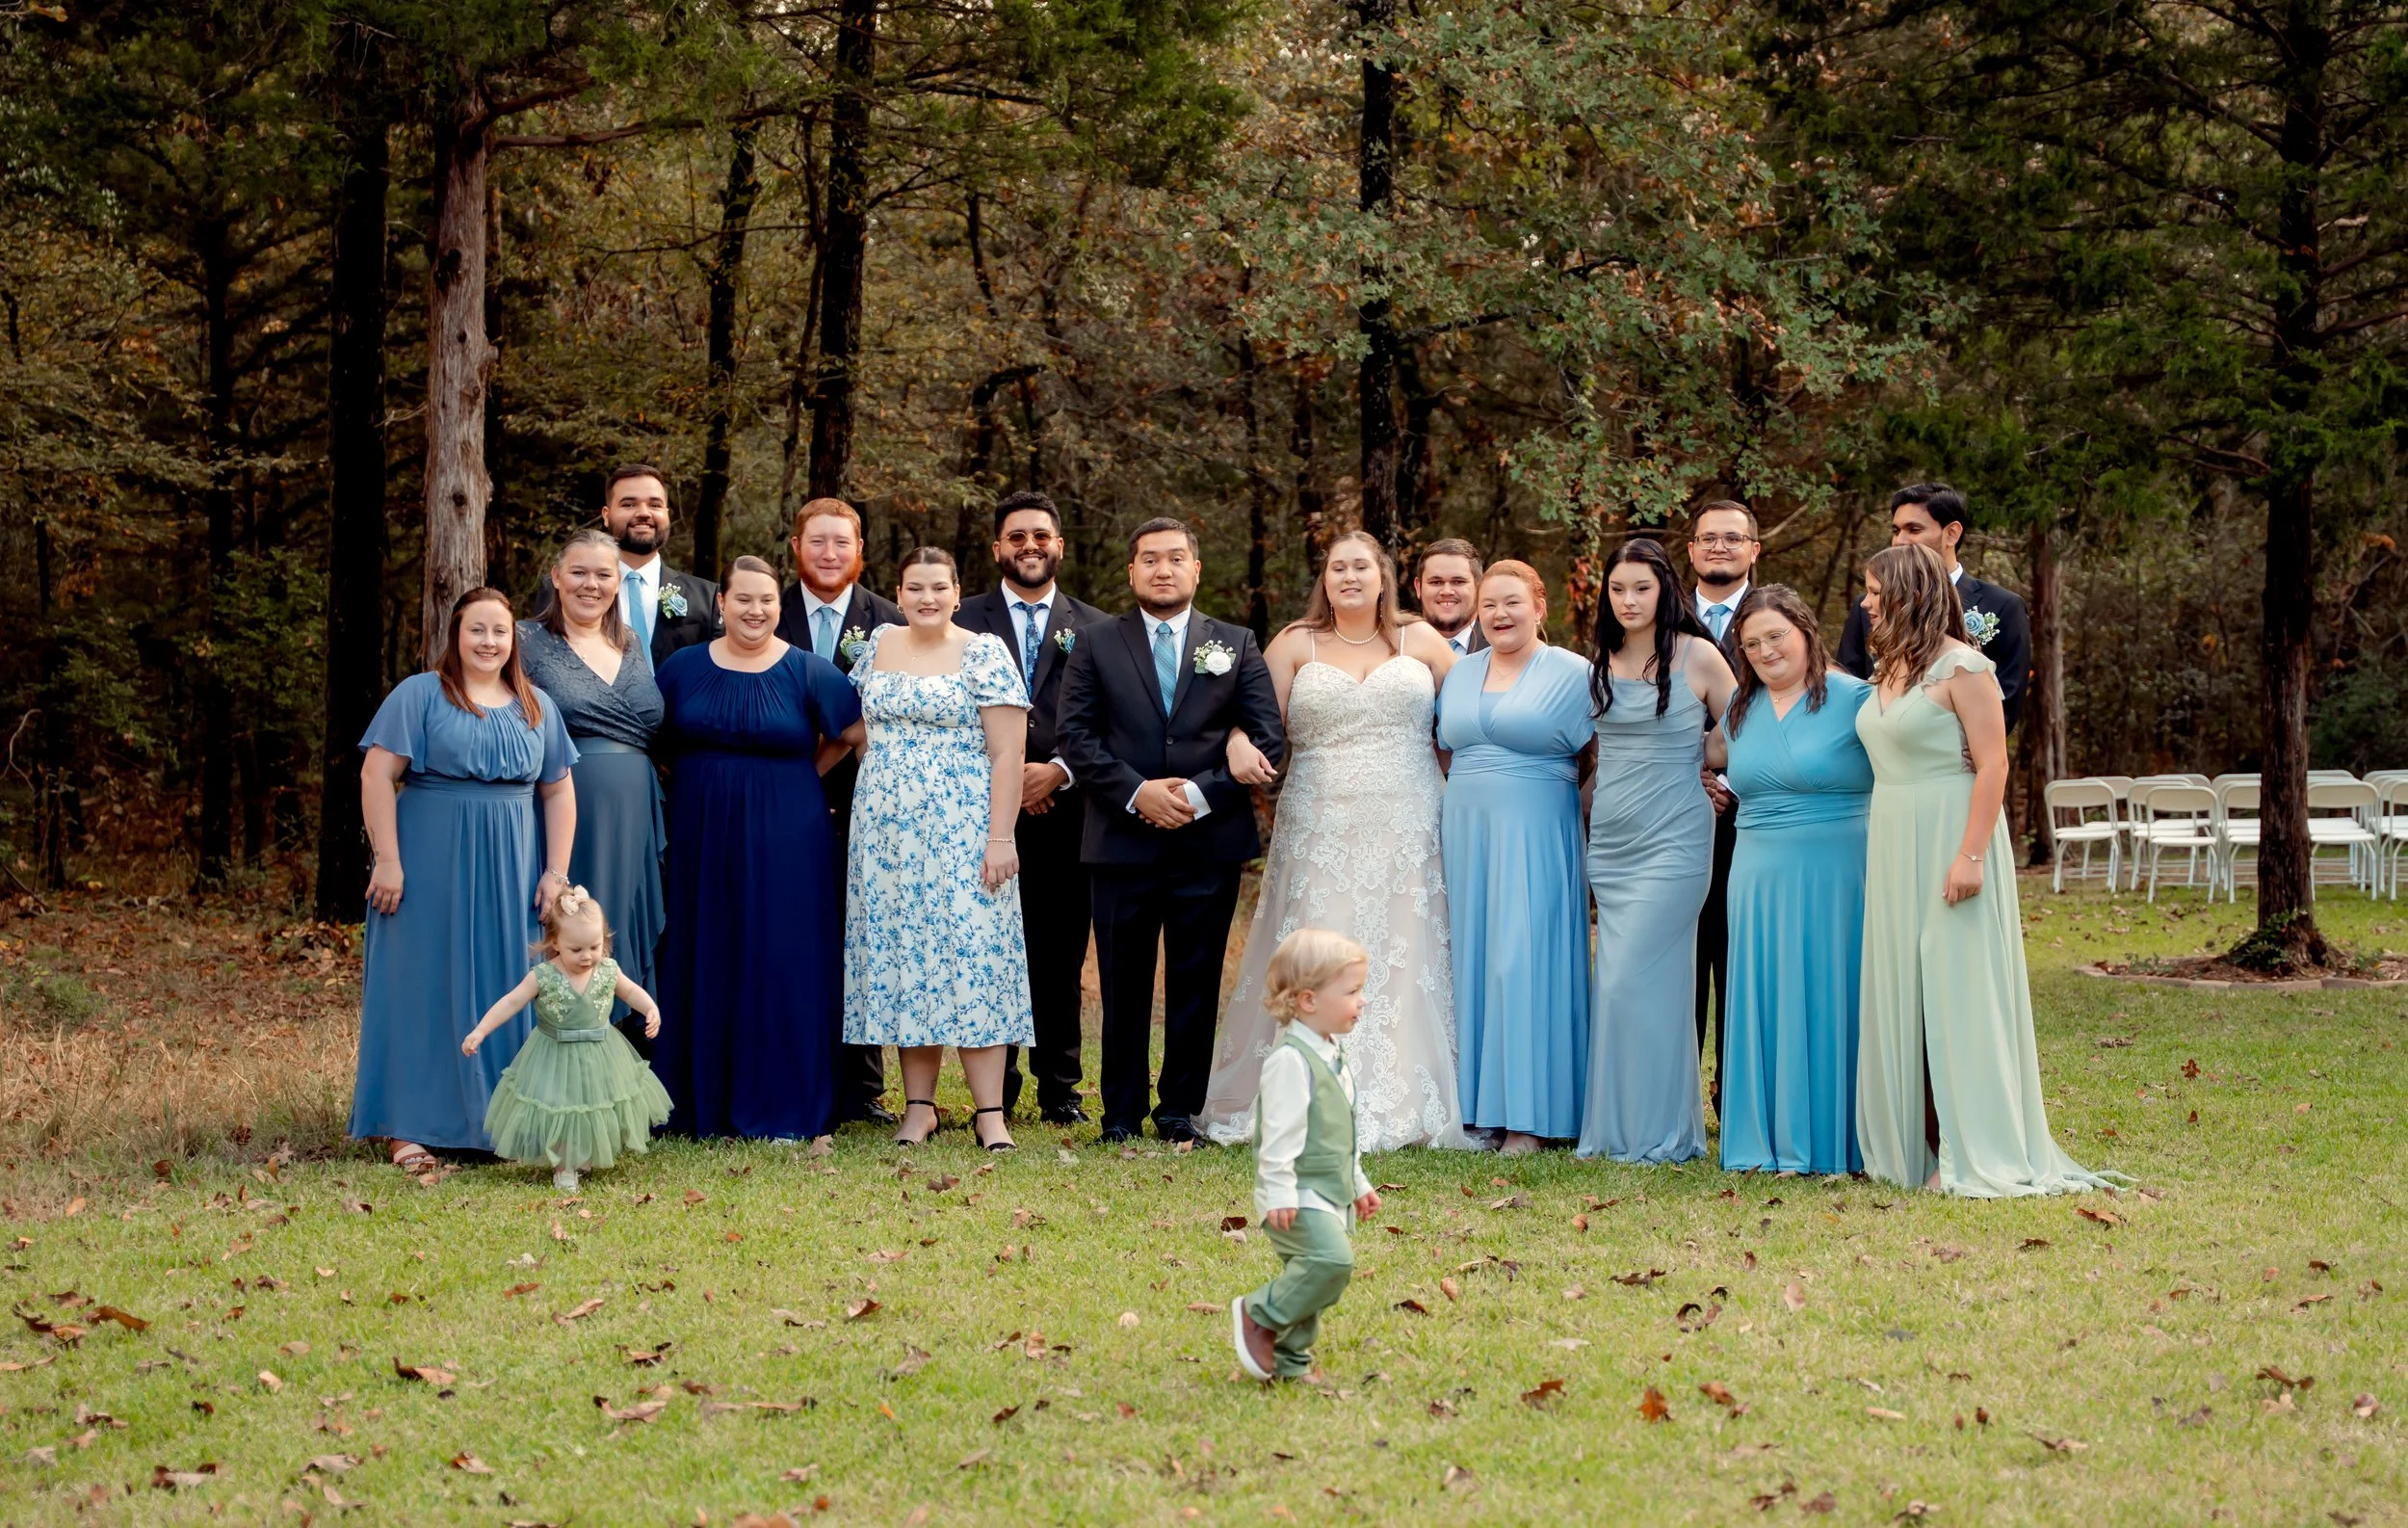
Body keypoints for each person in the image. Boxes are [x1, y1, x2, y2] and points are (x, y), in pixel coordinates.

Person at [1854, 544, 2115, 1196]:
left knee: (1957, 991)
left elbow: (1993, 764)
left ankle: (1972, 1151)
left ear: (1908, 595)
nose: (1863, 604)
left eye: (1872, 592)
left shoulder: (1965, 666)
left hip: (1952, 835)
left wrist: (1970, 855)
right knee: (1902, 994)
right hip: (1891, 839)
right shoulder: (1886, 669)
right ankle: (1906, 1146)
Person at [1204, 530, 1469, 1151]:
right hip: (1321, 820)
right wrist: (1238, 742)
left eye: (1362, 566)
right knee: (1320, 947)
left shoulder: (1421, 641)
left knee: (1409, 950)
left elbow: (1476, 709)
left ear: (1383, 577)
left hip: (1410, 817)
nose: (1349, 576)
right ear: (1324, 579)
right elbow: (1254, 718)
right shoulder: (1296, 643)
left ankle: (1404, 1094)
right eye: (1337, 567)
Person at [1056, 517, 1287, 1145]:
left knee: (1196, 978)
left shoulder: (1235, 642)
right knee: (1123, 985)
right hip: (1120, 839)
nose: (1163, 569)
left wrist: (1198, 794)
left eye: (1175, 557)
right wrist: (1136, 793)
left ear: (1196, 569)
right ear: (1131, 571)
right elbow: (1075, 736)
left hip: (1205, 843)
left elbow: (1265, 736)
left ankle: (1180, 1109)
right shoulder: (1096, 643)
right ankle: (1121, 1114)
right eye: (1150, 559)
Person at [355, 589, 577, 1174]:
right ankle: (406, 1129)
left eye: (499, 632)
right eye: (476, 631)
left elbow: (557, 790)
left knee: (507, 983)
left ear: (514, 640)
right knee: (421, 984)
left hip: (511, 867)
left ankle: (500, 1124)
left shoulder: (536, 706)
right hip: (428, 863)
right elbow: (377, 773)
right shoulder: (421, 694)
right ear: (456, 635)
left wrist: (556, 874)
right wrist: (388, 859)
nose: (488, 642)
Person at [652, 556, 864, 1143]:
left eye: (767, 600)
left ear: (779, 606)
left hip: (789, 836)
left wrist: (805, 773)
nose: (756, 610)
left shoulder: (810, 671)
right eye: (743, 599)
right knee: (704, 951)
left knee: (782, 958)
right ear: (720, 604)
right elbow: (657, 740)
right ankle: (697, 1102)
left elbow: (855, 733)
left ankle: (783, 1105)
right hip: (700, 831)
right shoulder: (682, 668)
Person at [846, 548, 1035, 1151]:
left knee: (975, 958)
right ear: (897, 594)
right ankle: (919, 1108)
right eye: (914, 588)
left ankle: (990, 1114)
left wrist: (1000, 837)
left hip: (964, 829)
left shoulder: (983, 651)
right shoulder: (878, 644)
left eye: (938, 587)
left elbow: (1008, 752)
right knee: (908, 963)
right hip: (886, 836)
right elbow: (861, 730)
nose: (926, 598)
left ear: (957, 592)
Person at [1575, 538, 1737, 1165]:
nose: (1629, 599)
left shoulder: (1699, 656)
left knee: (1626, 982)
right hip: (1613, 842)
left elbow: (1746, 725)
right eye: (1618, 589)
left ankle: (1660, 1133)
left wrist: (1710, 771)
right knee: (1640, 986)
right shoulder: (1600, 660)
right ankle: (1625, 1128)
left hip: (1675, 839)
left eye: (1641, 587)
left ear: (1665, 589)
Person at [954, 491, 1110, 1123]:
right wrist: (1003, 779)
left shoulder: (1097, 628)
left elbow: (1108, 718)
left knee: (1058, 956)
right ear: (997, 549)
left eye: (1040, 536)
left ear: (1059, 546)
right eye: (1016, 537)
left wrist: (1060, 771)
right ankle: (998, 1089)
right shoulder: (959, 620)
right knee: (985, 951)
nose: (1029, 547)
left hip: (1064, 815)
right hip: (977, 817)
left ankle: (1060, 1090)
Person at [1705, 585, 1871, 1175]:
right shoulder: (1739, 709)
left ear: (1806, 632)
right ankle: (1764, 1138)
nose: (1765, 650)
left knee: (1833, 992)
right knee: (1765, 993)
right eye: (1751, 644)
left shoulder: (1858, 699)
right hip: (1756, 875)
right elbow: (1723, 765)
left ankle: (1838, 1138)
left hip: (1839, 873)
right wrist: (1712, 784)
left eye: (1776, 636)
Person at [1436, 562, 1595, 1154]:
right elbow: (1446, 751)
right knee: (1474, 962)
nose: (1500, 615)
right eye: (1488, 606)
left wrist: (1559, 808)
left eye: (1512, 603)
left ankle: (1531, 1117)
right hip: (1467, 833)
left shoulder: (1574, 673)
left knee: (1524, 963)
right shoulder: (1459, 673)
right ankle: (1478, 1111)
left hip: (1538, 831)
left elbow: (1603, 757)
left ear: (1540, 605)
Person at [773, 497, 906, 1126]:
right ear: (796, 547)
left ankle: (862, 1089)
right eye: (817, 542)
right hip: (779, 804)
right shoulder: (763, 612)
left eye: (842, 543)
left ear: (860, 551)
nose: (829, 554)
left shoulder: (893, 622)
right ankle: (791, 1069)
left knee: (864, 941)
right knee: (792, 938)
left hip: (868, 808)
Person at [516, 529, 667, 1050]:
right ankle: (552, 1064)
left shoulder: (632, 643)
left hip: (634, 809)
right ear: (556, 578)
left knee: (615, 933)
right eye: (578, 572)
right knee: (566, 932)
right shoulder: (525, 641)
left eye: (604, 575)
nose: (591, 584)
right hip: (566, 804)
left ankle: (614, 1068)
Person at [1228, 928, 1380, 1384]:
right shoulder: (1291, 1062)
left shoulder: (1332, 1052)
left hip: (1328, 1190)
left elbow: (1341, 1131)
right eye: (1352, 991)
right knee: (1330, 1263)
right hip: (1295, 1192)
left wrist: (1357, 1184)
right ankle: (1259, 1313)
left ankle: (1292, 1362)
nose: (1362, 1001)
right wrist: (1279, 1193)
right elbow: (1278, 1137)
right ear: (1309, 1000)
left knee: (1316, 1276)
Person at [462, 885, 671, 1194]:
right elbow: (511, 1002)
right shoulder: (543, 976)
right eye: (577, 950)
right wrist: (480, 1030)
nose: (587, 956)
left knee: (590, 1105)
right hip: (555, 1053)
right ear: (555, 942)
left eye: (595, 947)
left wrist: (650, 1008)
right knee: (562, 1108)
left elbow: (630, 991)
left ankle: (584, 1155)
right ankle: (564, 1167)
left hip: (600, 1051)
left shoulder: (607, 970)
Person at [1837, 483, 2032, 729]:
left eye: (1914, 529)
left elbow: (2007, 701)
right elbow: (1849, 686)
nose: (1899, 541)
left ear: (1951, 533)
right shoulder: (1868, 606)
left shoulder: (2003, 606)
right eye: (1896, 530)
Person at [1688, 501, 1760, 1117]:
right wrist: (1692, 778)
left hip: (1753, 817)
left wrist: (1731, 779)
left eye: (1732, 538)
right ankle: (1677, 1092)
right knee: (1681, 961)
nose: (1719, 548)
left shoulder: (1776, 618)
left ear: (1753, 550)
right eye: (1707, 538)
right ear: (1691, 550)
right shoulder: (1658, 614)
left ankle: (1736, 1095)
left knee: (1741, 958)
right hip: (1672, 818)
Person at [599, 463, 722, 667]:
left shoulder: (707, 598)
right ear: (606, 515)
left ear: (666, 513)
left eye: (654, 505)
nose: (644, 513)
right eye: (629, 504)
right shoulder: (569, 590)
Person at [1414, 540, 1487, 656]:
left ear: (1479, 587)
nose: (1446, 591)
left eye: (1458, 582)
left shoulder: (1500, 647)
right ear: (1418, 587)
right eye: (1436, 582)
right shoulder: (1396, 647)